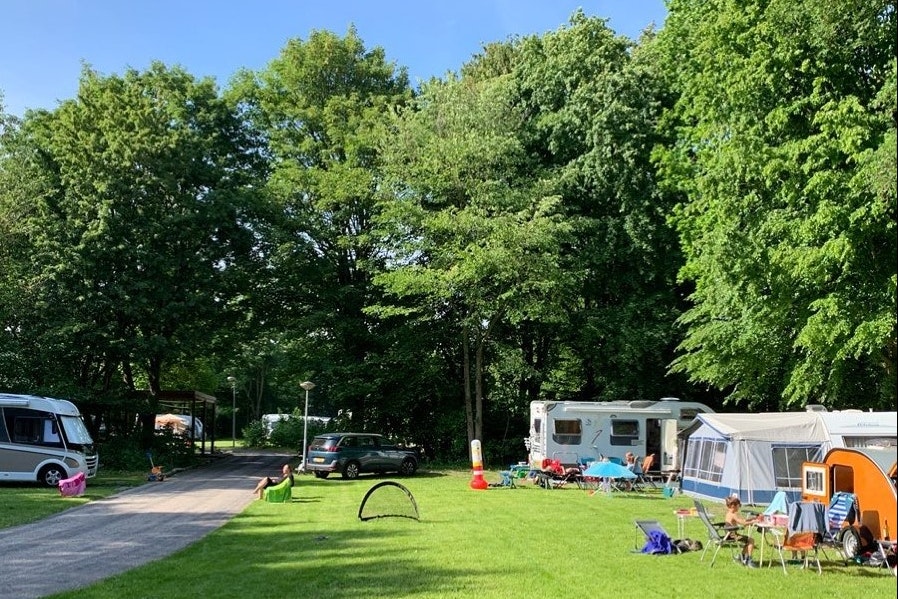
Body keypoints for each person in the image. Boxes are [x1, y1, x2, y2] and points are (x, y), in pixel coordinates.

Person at [724, 494, 758, 568]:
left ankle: (741, 556)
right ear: (734, 506)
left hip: (729, 535)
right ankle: (749, 560)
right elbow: (743, 523)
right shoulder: (733, 514)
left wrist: (752, 519)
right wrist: (754, 522)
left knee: (748, 540)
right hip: (733, 536)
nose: (739, 507)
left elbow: (742, 520)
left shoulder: (729, 513)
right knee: (751, 540)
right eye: (739, 505)